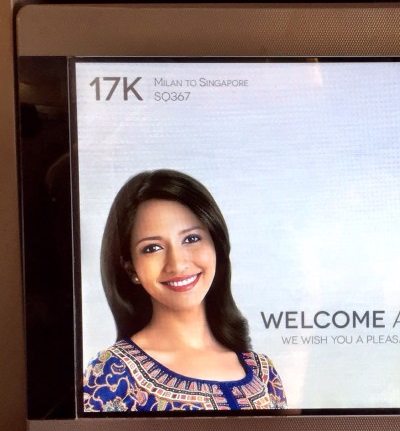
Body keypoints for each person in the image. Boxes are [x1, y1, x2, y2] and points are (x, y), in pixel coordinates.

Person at [83, 169, 286, 411]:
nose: (177, 264)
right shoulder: (112, 375)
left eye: (191, 239)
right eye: (152, 248)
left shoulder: (263, 373)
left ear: (216, 246)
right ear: (131, 268)